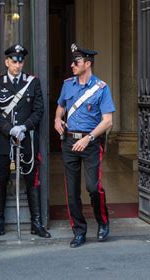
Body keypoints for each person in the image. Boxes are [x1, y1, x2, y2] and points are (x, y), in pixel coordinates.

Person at [0, 44, 50, 239]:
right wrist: (9, 129)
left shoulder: (33, 83)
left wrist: (24, 127)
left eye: (20, 60)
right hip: (5, 141)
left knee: (32, 180)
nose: (17, 64)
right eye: (14, 60)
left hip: (27, 140)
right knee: (1, 180)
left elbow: (39, 110)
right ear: (7, 62)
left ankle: (36, 223)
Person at [54, 43, 115, 248]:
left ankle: (103, 223)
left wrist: (87, 138)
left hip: (90, 143)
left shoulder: (101, 88)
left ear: (87, 64)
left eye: (76, 62)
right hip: (70, 141)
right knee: (71, 191)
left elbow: (108, 121)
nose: (72, 65)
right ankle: (79, 231)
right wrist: (56, 120)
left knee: (93, 186)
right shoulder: (68, 85)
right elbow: (61, 106)